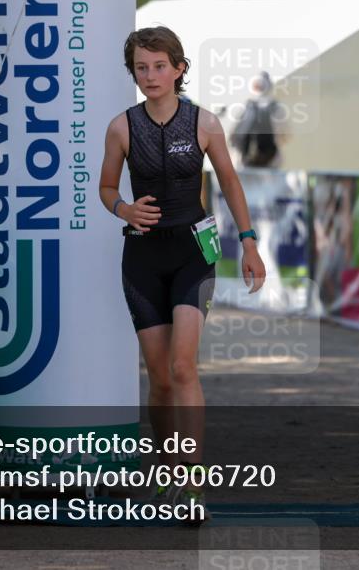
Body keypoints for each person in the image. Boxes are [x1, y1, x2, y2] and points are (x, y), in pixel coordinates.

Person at [98, 26, 266, 523]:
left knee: (183, 368)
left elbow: (231, 183)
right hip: (143, 259)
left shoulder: (205, 124)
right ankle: (164, 472)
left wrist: (250, 241)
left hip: (194, 253)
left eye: (159, 66)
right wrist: (124, 209)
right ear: (133, 72)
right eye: (141, 68)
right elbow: (107, 187)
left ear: (179, 69)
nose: (151, 76)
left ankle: (192, 485)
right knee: (160, 380)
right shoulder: (121, 127)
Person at [230, 70, 282, 168]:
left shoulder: (243, 105)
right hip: (259, 159)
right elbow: (285, 136)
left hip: (255, 159)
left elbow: (233, 134)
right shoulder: (275, 107)